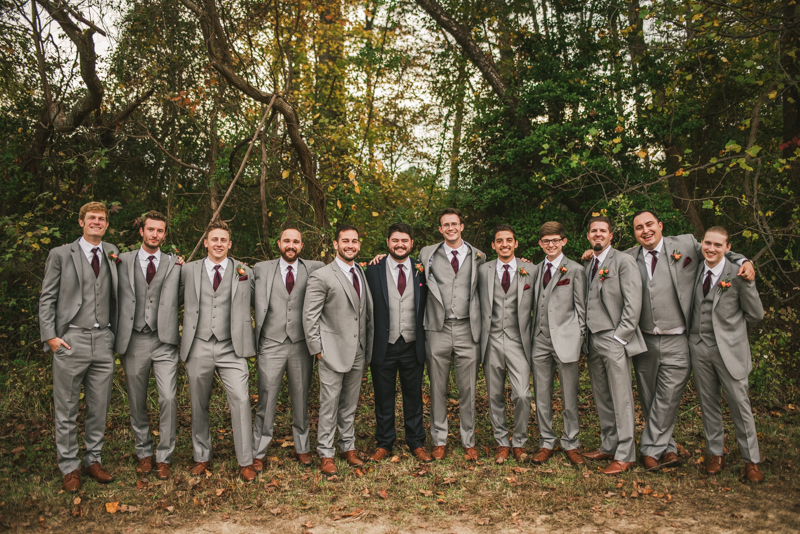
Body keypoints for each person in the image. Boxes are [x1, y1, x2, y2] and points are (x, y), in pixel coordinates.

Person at [622, 210, 753, 471]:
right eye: (639, 228)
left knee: (668, 397)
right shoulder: (627, 258)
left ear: (660, 225)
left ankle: (649, 450)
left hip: (679, 339)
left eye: (650, 225)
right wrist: (592, 253)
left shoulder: (685, 244)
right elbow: (605, 263)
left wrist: (745, 260)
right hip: (644, 341)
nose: (645, 230)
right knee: (649, 397)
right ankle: (666, 449)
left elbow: (717, 249)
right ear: (634, 233)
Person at [39, 201, 120, 492]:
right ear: (81, 222)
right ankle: (69, 466)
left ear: (106, 224)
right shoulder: (61, 254)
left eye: (101, 219)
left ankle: (93, 459)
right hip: (70, 340)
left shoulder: (113, 252)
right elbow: (47, 297)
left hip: (103, 341)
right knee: (67, 408)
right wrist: (50, 337)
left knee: (99, 407)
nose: (97, 222)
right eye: (92, 218)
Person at [180, 220, 257, 482]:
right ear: (206, 242)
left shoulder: (245, 271)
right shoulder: (188, 270)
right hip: (198, 343)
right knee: (199, 403)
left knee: (241, 400)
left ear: (230, 244)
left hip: (232, 347)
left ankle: (245, 460)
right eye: (214, 239)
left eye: (223, 240)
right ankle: (201, 456)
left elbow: (269, 293)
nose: (219, 244)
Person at [688, 226, 765, 482]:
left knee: (740, 406)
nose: (711, 249)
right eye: (707, 243)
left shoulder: (740, 274)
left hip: (729, 350)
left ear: (728, 248)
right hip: (699, 347)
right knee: (708, 403)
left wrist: (733, 333)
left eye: (718, 245)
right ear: (702, 243)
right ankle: (715, 453)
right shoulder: (695, 266)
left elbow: (756, 315)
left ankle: (751, 460)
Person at [115, 210, 182, 480]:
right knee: (136, 399)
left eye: (160, 231)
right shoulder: (121, 261)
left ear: (165, 235)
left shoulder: (175, 264)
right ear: (141, 231)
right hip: (133, 339)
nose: (155, 234)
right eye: (150, 229)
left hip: (164, 340)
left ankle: (164, 456)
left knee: (168, 397)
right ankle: (143, 452)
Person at [303, 225, 374, 475]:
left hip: (358, 350)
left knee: (350, 404)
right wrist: (318, 350)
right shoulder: (322, 276)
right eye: (345, 241)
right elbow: (309, 316)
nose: (350, 245)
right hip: (331, 351)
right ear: (335, 244)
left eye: (355, 241)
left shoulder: (361, 272)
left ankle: (348, 447)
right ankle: (326, 452)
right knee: (329, 404)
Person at [251, 228, 324, 470]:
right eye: (286, 241)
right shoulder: (261, 269)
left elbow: (342, 271)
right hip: (271, 342)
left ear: (301, 245)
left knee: (301, 399)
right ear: (278, 243)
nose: (291, 245)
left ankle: (302, 447)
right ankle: (258, 450)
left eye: (295, 241)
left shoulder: (315, 268)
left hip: (301, 344)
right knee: (266, 398)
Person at [417, 208, 485, 460]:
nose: (450, 228)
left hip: (468, 328)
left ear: (462, 226)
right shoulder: (427, 253)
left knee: (468, 388)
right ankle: (439, 439)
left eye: (454, 224)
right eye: (445, 225)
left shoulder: (478, 255)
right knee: (437, 387)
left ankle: (469, 440)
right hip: (438, 327)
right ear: (440, 229)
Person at [581, 216, 646, 475]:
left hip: (614, 338)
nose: (598, 234)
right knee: (602, 395)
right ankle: (609, 444)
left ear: (611, 236)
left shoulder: (623, 261)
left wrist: (621, 336)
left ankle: (626, 453)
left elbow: (633, 301)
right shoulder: (589, 264)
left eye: (602, 231)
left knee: (621, 398)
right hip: (593, 340)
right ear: (588, 236)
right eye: (593, 231)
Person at [364, 223, 432, 463]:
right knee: (383, 397)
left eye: (404, 240)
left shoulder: (424, 269)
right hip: (384, 343)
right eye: (395, 240)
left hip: (413, 343)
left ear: (412, 244)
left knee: (413, 395)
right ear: (387, 242)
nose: (400, 244)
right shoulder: (371, 270)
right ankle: (384, 443)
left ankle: (416, 442)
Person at [530, 222, 587, 466]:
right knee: (541, 395)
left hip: (566, 341)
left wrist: (579, 340)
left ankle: (571, 442)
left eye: (555, 240)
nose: (550, 245)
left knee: (569, 395)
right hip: (539, 341)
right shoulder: (533, 270)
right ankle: (546, 441)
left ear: (564, 241)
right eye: (546, 241)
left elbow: (582, 310)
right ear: (540, 244)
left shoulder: (575, 270)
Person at [477, 225, 535, 464]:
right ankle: (502, 441)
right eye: (499, 241)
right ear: (493, 245)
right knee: (494, 395)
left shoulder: (531, 270)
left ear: (516, 243)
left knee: (522, 394)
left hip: (518, 340)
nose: (504, 244)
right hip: (490, 340)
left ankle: (519, 441)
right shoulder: (482, 271)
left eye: (509, 240)